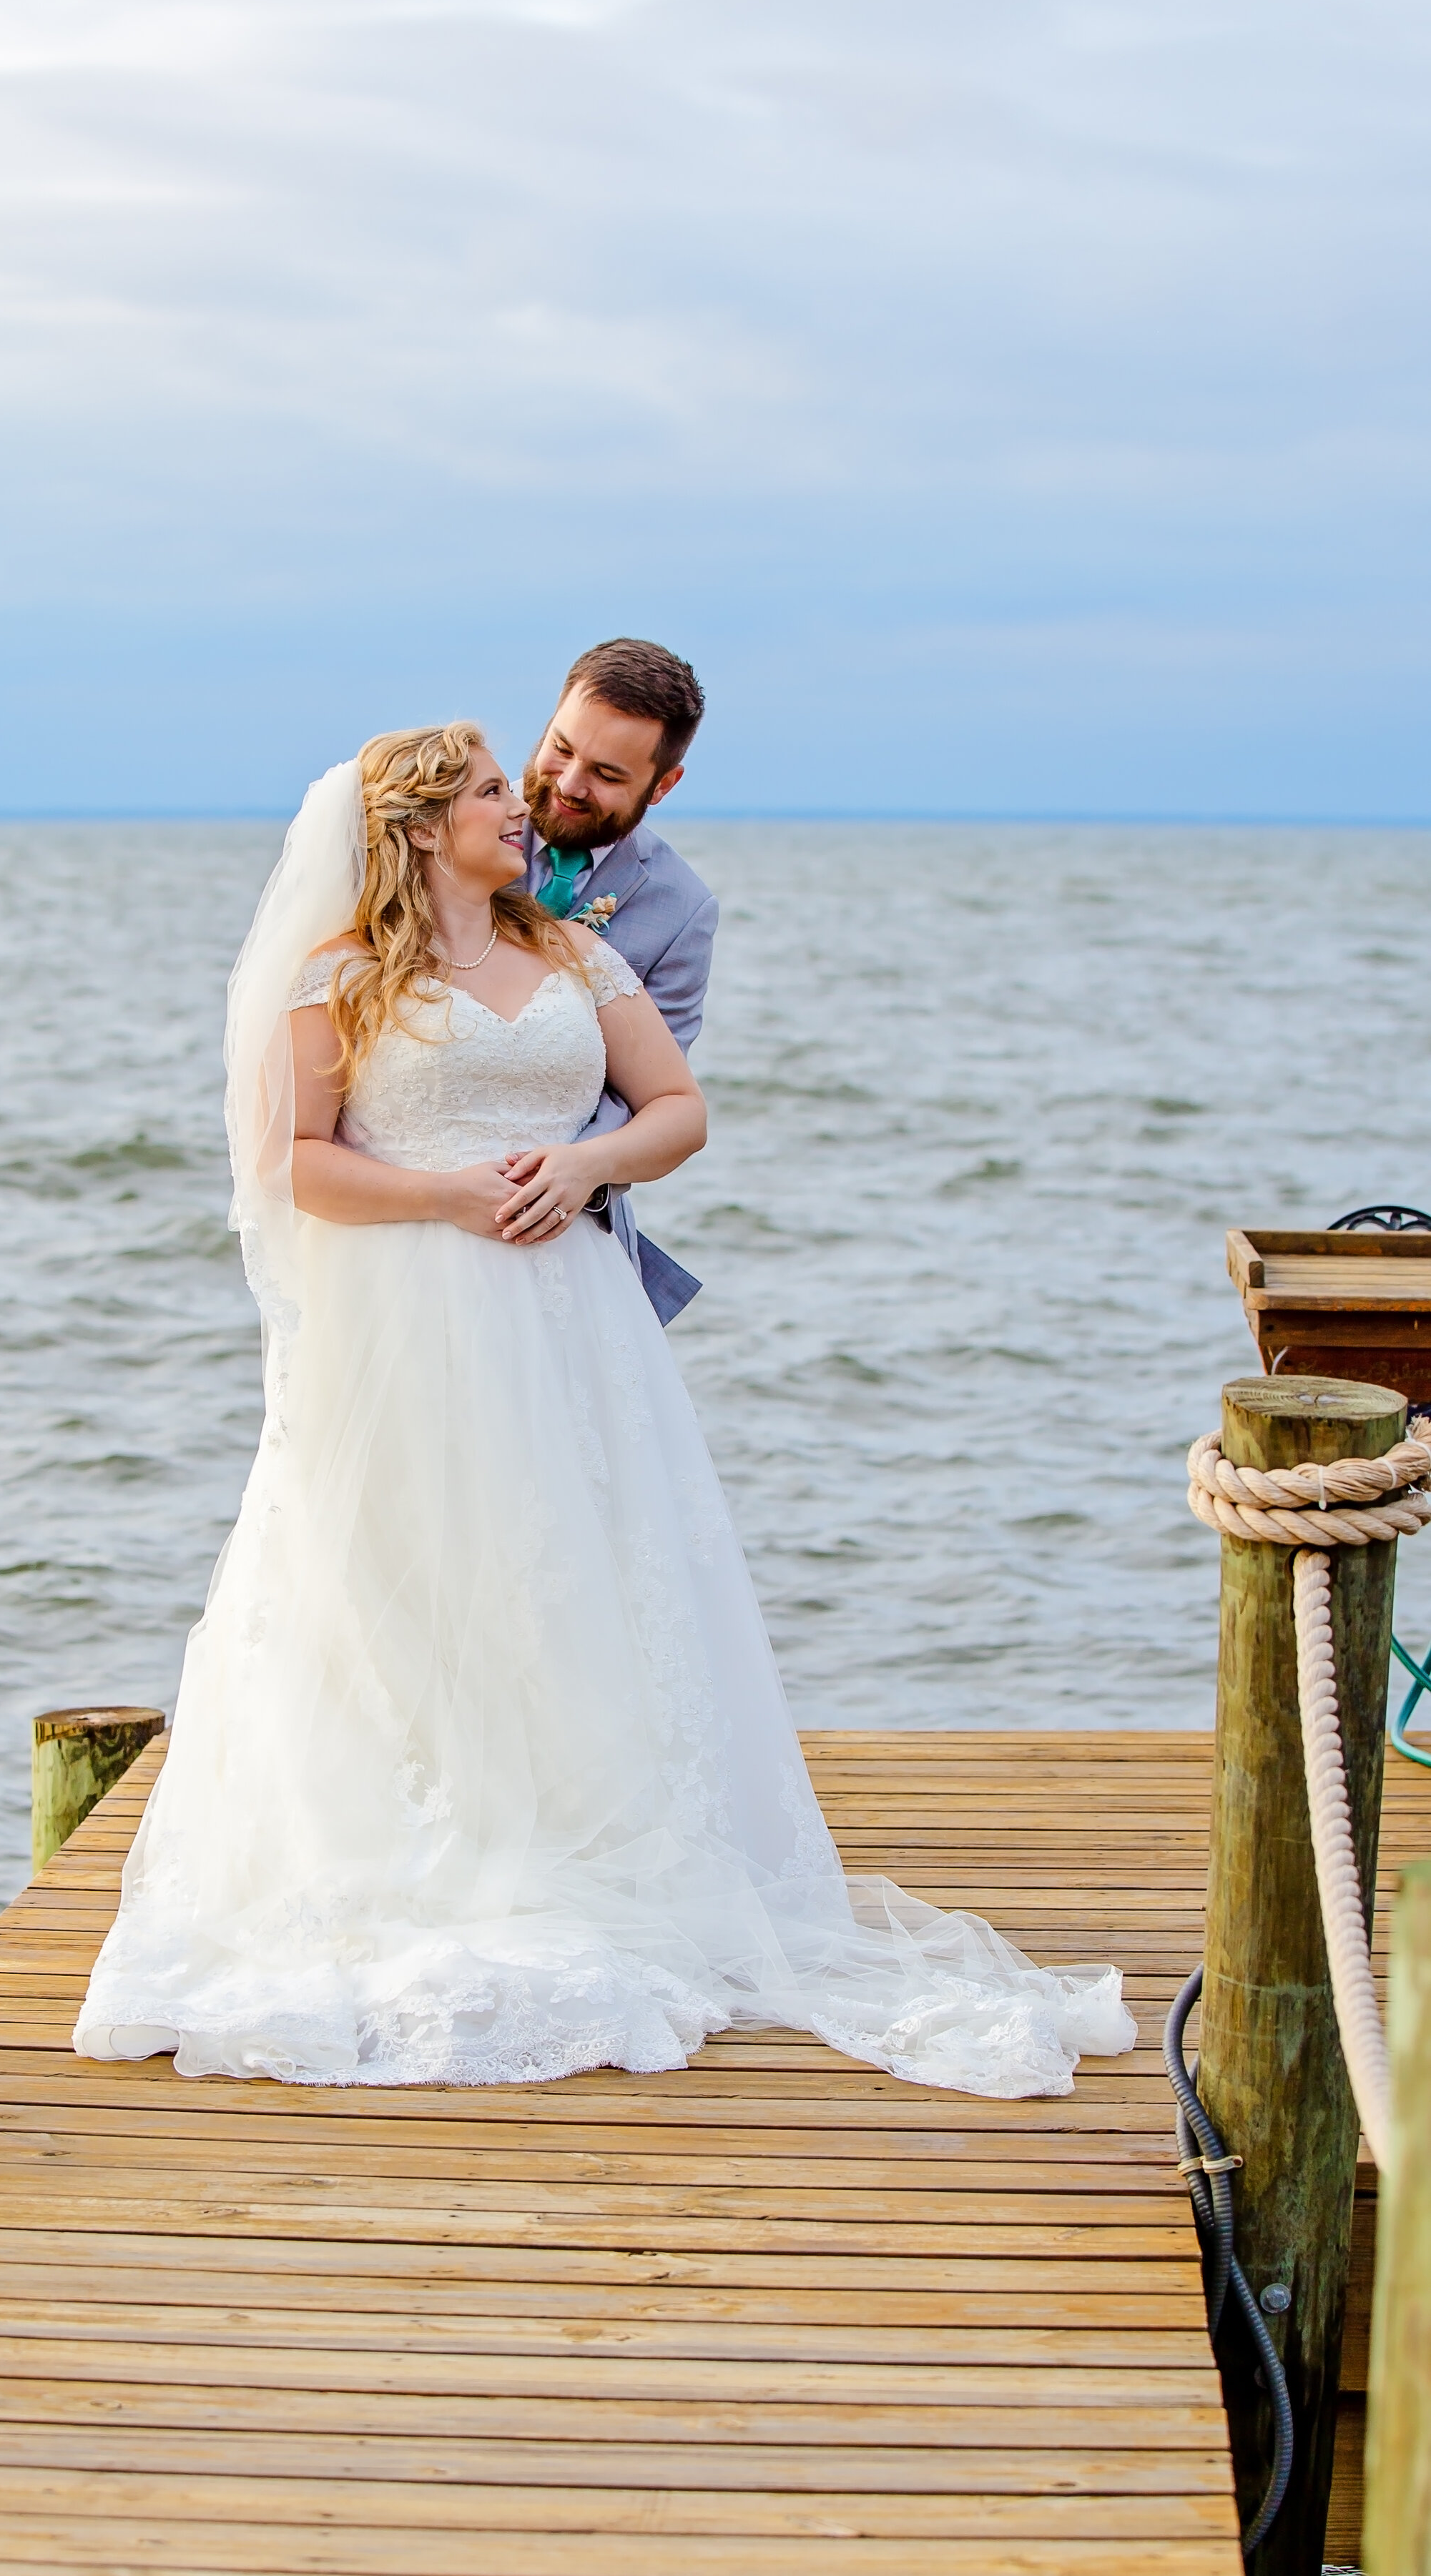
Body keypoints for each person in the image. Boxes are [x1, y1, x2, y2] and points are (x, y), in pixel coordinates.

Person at [74, 721, 1134, 2096]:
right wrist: (445, 1192)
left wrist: (582, 1168)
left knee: (578, 1571)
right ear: (416, 827)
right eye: (494, 793)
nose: (525, 808)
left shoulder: (577, 953)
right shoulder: (337, 974)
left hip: (573, 1316)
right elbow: (302, 1166)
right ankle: (430, 1837)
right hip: (408, 1321)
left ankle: (586, 1829)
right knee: (412, 1578)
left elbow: (677, 1109)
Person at [523, 638, 717, 1323]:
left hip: (561, 1221)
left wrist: (563, 1168)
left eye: (607, 773)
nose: (570, 783)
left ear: (663, 785)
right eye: (560, 747)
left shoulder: (680, 908)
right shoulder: (455, 827)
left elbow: (649, 1096)